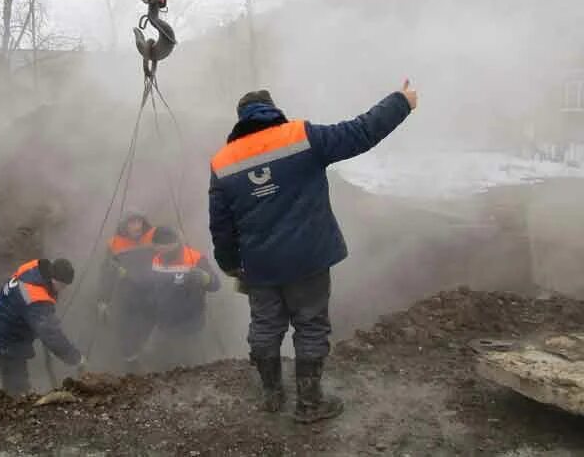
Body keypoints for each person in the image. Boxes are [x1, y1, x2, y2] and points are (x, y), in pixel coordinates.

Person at [208, 81, 418, 423]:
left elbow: (221, 224)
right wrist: (402, 102)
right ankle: (309, 405)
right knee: (310, 326)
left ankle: (272, 395)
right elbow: (361, 131)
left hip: (260, 266)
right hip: (308, 258)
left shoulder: (222, 162)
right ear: (273, 111)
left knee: (265, 327)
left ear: (240, 120)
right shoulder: (300, 137)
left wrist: (231, 265)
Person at [0, 258, 85, 395]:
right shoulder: (36, 299)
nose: (63, 290)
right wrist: (76, 358)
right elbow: (51, 336)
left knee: (17, 383)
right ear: (54, 280)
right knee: (20, 392)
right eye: (63, 286)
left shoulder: (34, 267)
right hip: (3, 346)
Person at [146, 226, 220, 368]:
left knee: (192, 365)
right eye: (158, 246)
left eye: (165, 246)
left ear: (175, 243)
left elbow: (215, 285)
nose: (161, 250)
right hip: (164, 324)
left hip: (190, 325)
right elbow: (154, 287)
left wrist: (204, 278)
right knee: (161, 363)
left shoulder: (195, 258)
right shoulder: (156, 260)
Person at [96, 211, 157, 372]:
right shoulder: (115, 244)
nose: (136, 226)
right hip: (127, 297)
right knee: (126, 335)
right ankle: (133, 370)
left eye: (139, 221)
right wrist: (103, 300)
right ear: (124, 225)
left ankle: (152, 366)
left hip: (151, 295)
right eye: (132, 222)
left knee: (149, 333)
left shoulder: (153, 238)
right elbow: (107, 273)